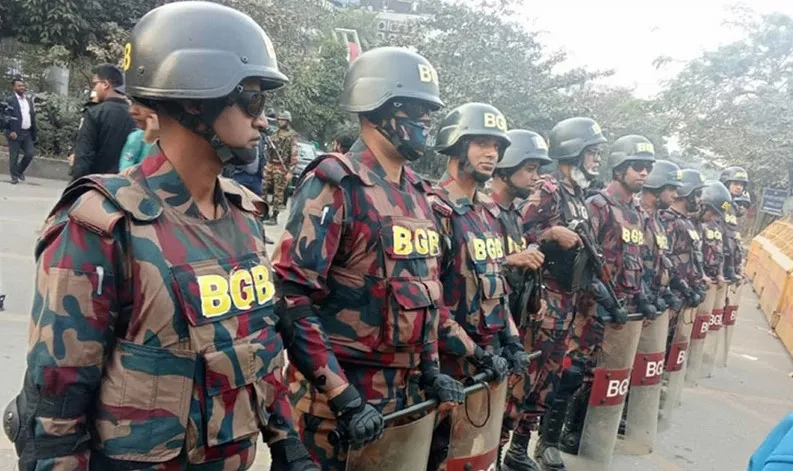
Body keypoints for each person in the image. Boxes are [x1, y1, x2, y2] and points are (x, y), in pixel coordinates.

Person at [1, 3, 317, 470]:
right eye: (252, 100)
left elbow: (259, 351)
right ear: (196, 101)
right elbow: (55, 412)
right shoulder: (104, 226)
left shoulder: (242, 216)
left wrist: (286, 440)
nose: (264, 120)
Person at [272, 47, 468, 471]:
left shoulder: (419, 194)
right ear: (376, 108)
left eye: (429, 111)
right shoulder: (337, 183)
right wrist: (343, 397)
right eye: (414, 109)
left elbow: (425, 295)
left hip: (402, 405)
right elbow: (290, 296)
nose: (425, 121)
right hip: (335, 411)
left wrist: (432, 370)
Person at [428, 102, 530, 470]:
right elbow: (430, 303)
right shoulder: (434, 209)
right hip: (447, 368)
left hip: (486, 364)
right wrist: (478, 354)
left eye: (497, 147)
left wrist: (512, 341)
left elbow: (497, 288)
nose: (492, 154)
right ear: (458, 145)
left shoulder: (487, 214)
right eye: (482, 144)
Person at [561, 134, 657, 454]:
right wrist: (604, 299)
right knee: (576, 370)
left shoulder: (637, 213)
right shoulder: (598, 205)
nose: (643, 173)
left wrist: (642, 297)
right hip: (591, 307)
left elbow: (637, 260)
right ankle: (562, 433)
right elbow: (584, 262)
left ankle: (588, 428)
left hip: (622, 308)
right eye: (637, 166)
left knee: (607, 372)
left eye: (647, 167)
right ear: (619, 169)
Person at [519, 117, 604, 471]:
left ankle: (522, 447)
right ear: (574, 151)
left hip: (568, 304)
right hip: (543, 301)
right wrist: (550, 234)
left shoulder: (579, 197)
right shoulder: (548, 190)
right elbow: (515, 234)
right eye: (592, 152)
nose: (597, 159)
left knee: (550, 380)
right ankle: (509, 447)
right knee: (527, 378)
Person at [492, 130, 550, 471]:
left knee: (509, 405)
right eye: (529, 168)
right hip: (485, 329)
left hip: (513, 326)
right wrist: (510, 260)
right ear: (506, 168)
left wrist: (535, 299)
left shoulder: (514, 216)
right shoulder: (481, 211)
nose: (535, 176)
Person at [70, 63, 136, 180]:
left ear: (105, 84)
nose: (94, 88)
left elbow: (84, 155)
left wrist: (76, 183)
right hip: (125, 182)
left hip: (97, 183)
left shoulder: (95, 113)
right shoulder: (135, 114)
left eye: (96, 84)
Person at [263, 110, 298, 224]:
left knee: (278, 193)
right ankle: (264, 213)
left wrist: (290, 171)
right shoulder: (274, 134)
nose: (280, 122)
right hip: (270, 164)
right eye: (279, 119)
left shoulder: (291, 136)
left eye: (283, 120)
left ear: (288, 121)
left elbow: (294, 155)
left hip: (282, 167)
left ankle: (274, 217)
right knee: (263, 187)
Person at [4, 78, 37, 184]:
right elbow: (5, 117)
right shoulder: (10, 100)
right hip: (14, 133)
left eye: (23, 85)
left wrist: (34, 132)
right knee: (14, 156)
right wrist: (10, 131)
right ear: (13, 87)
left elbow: (32, 116)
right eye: (19, 86)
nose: (22, 87)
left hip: (27, 132)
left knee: (30, 153)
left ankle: (18, 171)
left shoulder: (28, 101)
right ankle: (14, 177)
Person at [118, 101, 159, 171]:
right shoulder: (136, 137)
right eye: (132, 103)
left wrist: (151, 143)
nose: (132, 111)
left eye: (143, 104)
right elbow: (125, 173)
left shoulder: (176, 141)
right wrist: (149, 142)